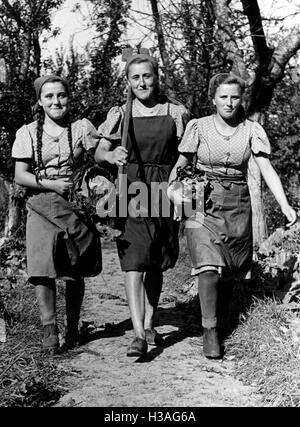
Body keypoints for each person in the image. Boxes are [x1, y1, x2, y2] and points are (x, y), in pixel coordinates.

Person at [168, 73, 297, 359]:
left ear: (241, 99)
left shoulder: (251, 129)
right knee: (208, 266)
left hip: (238, 202)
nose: (229, 102)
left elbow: (266, 168)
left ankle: (221, 321)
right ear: (213, 99)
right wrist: (173, 191)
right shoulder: (198, 127)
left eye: (234, 97)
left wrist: (285, 204)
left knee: (228, 270)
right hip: (201, 198)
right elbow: (181, 164)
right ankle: (210, 331)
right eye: (223, 97)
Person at [95, 52, 189, 357]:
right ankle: (136, 334)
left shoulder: (176, 112)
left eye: (147, 76)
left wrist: (179, 181)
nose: (142, 82)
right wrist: (111, 157)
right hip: (131, 188)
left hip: (165, 188)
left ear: (157, 77)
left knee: (156, 259)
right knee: (134, 260)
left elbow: (187, 152)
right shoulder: (120, 114)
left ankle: (150, 322)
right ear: (127, 81)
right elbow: (99, 152)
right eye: (135, 77)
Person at [12, 74, 102, 354]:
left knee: (74, 267)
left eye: (61, 95)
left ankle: (73, 327)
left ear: (68, 97)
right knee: (42, 266)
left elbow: (101, 155)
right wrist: (51, 184)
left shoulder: (81, 128)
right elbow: (20, 176)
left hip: (74, 204)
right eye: (49, 96)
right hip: (40, 202)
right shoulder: (27, 133)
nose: (56, 101)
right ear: (40, 102)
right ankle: (49, 328)